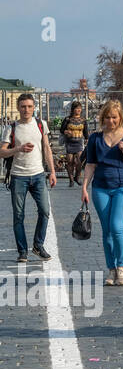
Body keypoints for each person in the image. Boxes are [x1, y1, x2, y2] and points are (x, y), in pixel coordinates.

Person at [76, 100, 123, 282]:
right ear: (103, 118)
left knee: (117, 227)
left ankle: (122, 268)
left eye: (114, 117)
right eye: (107, 117)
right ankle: (111, 269)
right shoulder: (95, 138)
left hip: (122, 187)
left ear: (120, 118)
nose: (110, 121)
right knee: (106, 230)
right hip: (100, 188)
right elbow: (91, 164)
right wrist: (85, 187)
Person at [2, 93, 58, 264]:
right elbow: (2, 151)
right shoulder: (11, 128)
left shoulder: (41, 124)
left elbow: (47, 149)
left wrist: (53, 171)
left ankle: (38, 245)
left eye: (29, 106)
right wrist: (17, 149)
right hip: (18, 176)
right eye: (23, 106)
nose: (26, 109)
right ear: (18, 108)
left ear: (34, 108)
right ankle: (22, 251)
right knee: (18, 216)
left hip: (39, 175)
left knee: (45, 211)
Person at [61, 101, 88, 186]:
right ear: (73, 109)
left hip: (79, 142)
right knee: (70, 162)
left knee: (79, 162)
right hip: (69, 142)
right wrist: (66, 131)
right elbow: (61, 130)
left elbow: (86, 131)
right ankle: (71, 180)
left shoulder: (83, 120)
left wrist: (87, 138)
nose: (78, 110)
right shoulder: (67, 119)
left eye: (80, 108)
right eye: (77, 108)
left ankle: (77, 177)